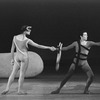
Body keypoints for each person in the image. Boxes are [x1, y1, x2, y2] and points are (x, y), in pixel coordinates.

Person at [1, 25, 56, 95]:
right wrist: (49, 47)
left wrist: (12, 59)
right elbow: (38, 45)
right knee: (22, 74)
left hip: (17, 57)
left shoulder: (15, 37)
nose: (30, 31)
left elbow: (12, 49)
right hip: (24, 57)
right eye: (29, 30)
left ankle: (7, 88)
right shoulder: (27, 40)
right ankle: (19, 90)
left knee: (13, 73)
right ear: (25, 30)